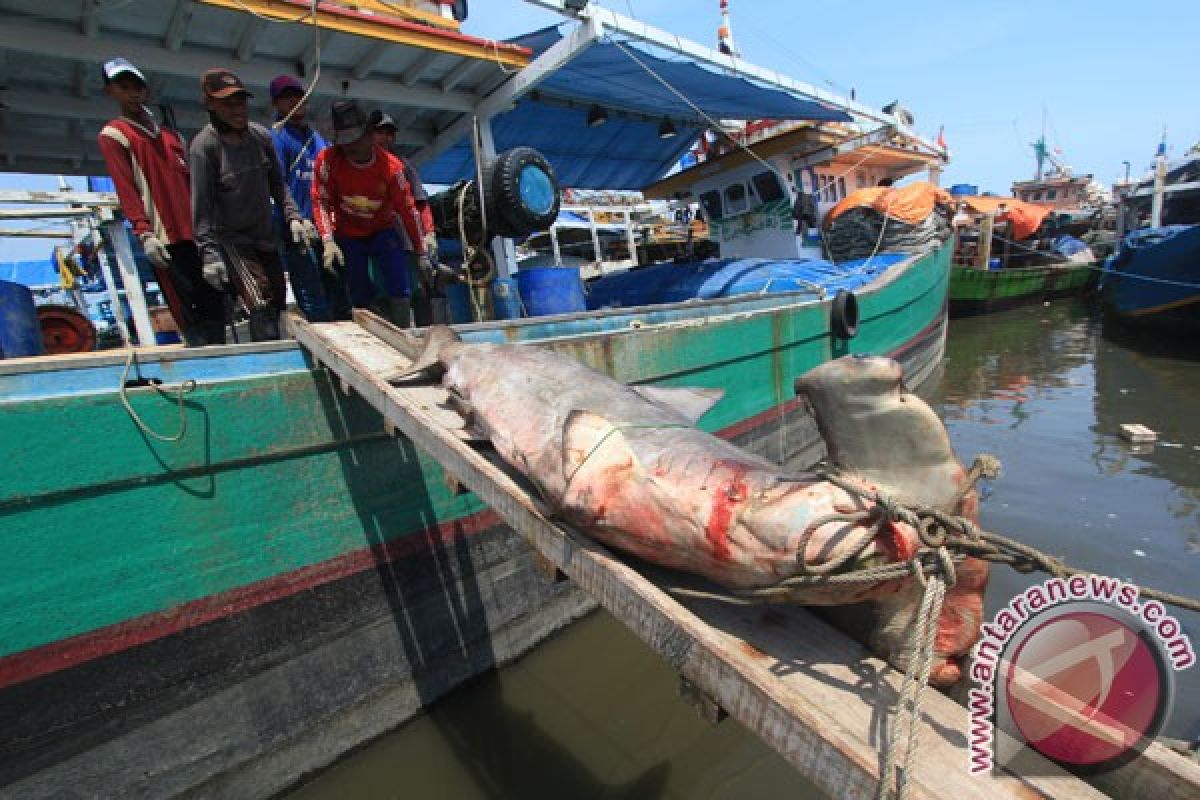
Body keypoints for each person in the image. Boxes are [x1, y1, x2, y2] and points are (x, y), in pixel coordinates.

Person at [96, 57, 226, 346]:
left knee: (216, 301)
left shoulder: (171, 136)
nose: (132, 93)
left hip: (198, 234)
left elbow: (193, 184)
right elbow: (125, 187)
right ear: (111, 92)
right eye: (123, 87)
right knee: (187, 307)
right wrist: (144, 232)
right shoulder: (114, 135)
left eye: (136, 86)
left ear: (146, 91)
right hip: (164, 237)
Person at [189, 68, 312, 341]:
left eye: (241, 102)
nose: (237, 110)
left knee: (279, 298)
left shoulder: (261, 137)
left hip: (265, 235)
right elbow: (202, 207)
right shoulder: (204, 147)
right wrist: (209, 254)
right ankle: (271, 367)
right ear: (210, 105)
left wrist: (294, 217)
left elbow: (278, 185)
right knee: (260, 300)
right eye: (228, 104)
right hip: (234, 240)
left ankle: (276, 348)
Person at [312, 100, 431, 327]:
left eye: (355, 141)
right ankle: (369, 326)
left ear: (369, 135)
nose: (350, 148)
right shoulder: (327, 161)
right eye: (345, 142)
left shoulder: (392, 168)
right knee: (357, 287)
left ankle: (402, 327)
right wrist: (327, 240)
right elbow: (321, 201)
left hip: (382, 229)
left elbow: (408, 211)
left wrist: (421, 251)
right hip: (347, 233)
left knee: (398, 278)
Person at [268, 74, 349, 321]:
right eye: (287, 98)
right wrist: (294, 218)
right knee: (311, 291)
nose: (295, 102)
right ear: (276, 104)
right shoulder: (277, 137)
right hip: (298, 230)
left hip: (324, 229)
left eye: (299, 96)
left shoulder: (317, 139)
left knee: (338, 289)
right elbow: (277, 182)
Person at [369, 110, 439, 322]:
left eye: (390, 133)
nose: (387, 138)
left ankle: (427, 341)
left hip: (408, 244)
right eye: (381, 132)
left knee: (419, 293)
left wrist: (428, 233)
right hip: (376, 243)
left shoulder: (404, 165)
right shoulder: (360, 166)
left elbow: (420, 202)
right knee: (383, 295)